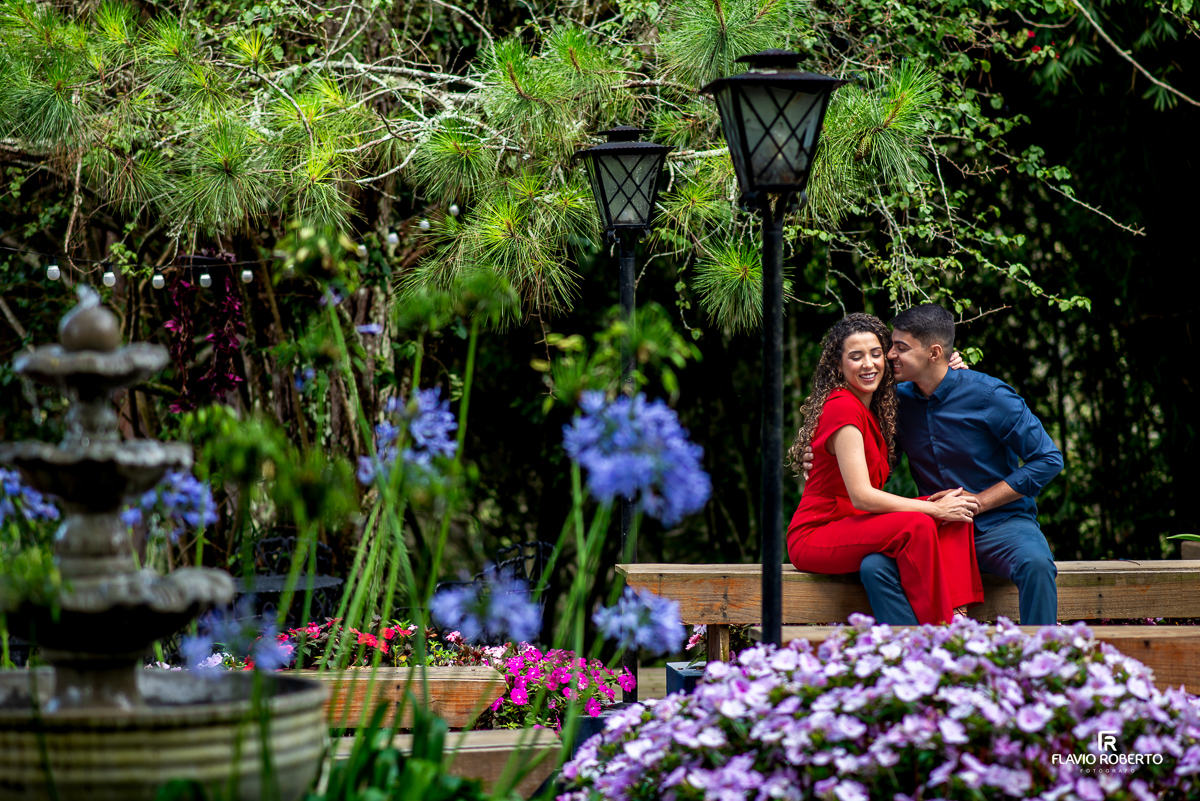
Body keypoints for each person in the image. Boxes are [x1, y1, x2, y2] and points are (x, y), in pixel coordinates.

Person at [801, 304, 1064, 626]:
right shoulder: (896, 401)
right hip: (938, 525)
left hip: (1000, 525)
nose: (889, 356)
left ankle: (1044, 662)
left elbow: (1048, 459)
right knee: (874, 567)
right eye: (891, 347)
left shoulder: (988, 396)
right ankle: (916, 659)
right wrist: (819, 458)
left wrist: (980, 502)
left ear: (934, 353)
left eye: (899, 348)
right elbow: (868, 456)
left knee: (1036, 563)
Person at [786, 313, 984, 625]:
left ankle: (958, 615)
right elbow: (862, 497)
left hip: (855, 523)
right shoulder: (841, 407)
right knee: (919, 523)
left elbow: (926, 372)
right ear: (838, 366)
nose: (869, 364)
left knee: (953, 504)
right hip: (818, 533)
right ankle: (939, 629)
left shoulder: (874, 407)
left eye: (876, 354)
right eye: (856, 356)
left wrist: (945, 367)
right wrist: (932, 512)